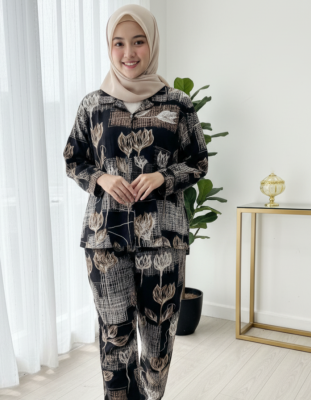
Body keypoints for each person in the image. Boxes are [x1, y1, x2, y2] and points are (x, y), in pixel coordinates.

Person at [63, 4, 208, 399]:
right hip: (104, 239)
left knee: (158, 343)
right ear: (109, 47)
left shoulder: (178, 104)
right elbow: (73, 160)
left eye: (138, 41)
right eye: (119, 43)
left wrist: (163, 177)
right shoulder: (92, 105)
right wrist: (102, 178)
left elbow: (198, 161)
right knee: (115, 338)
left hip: (163, 239)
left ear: (152, 43)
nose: (129, 52)